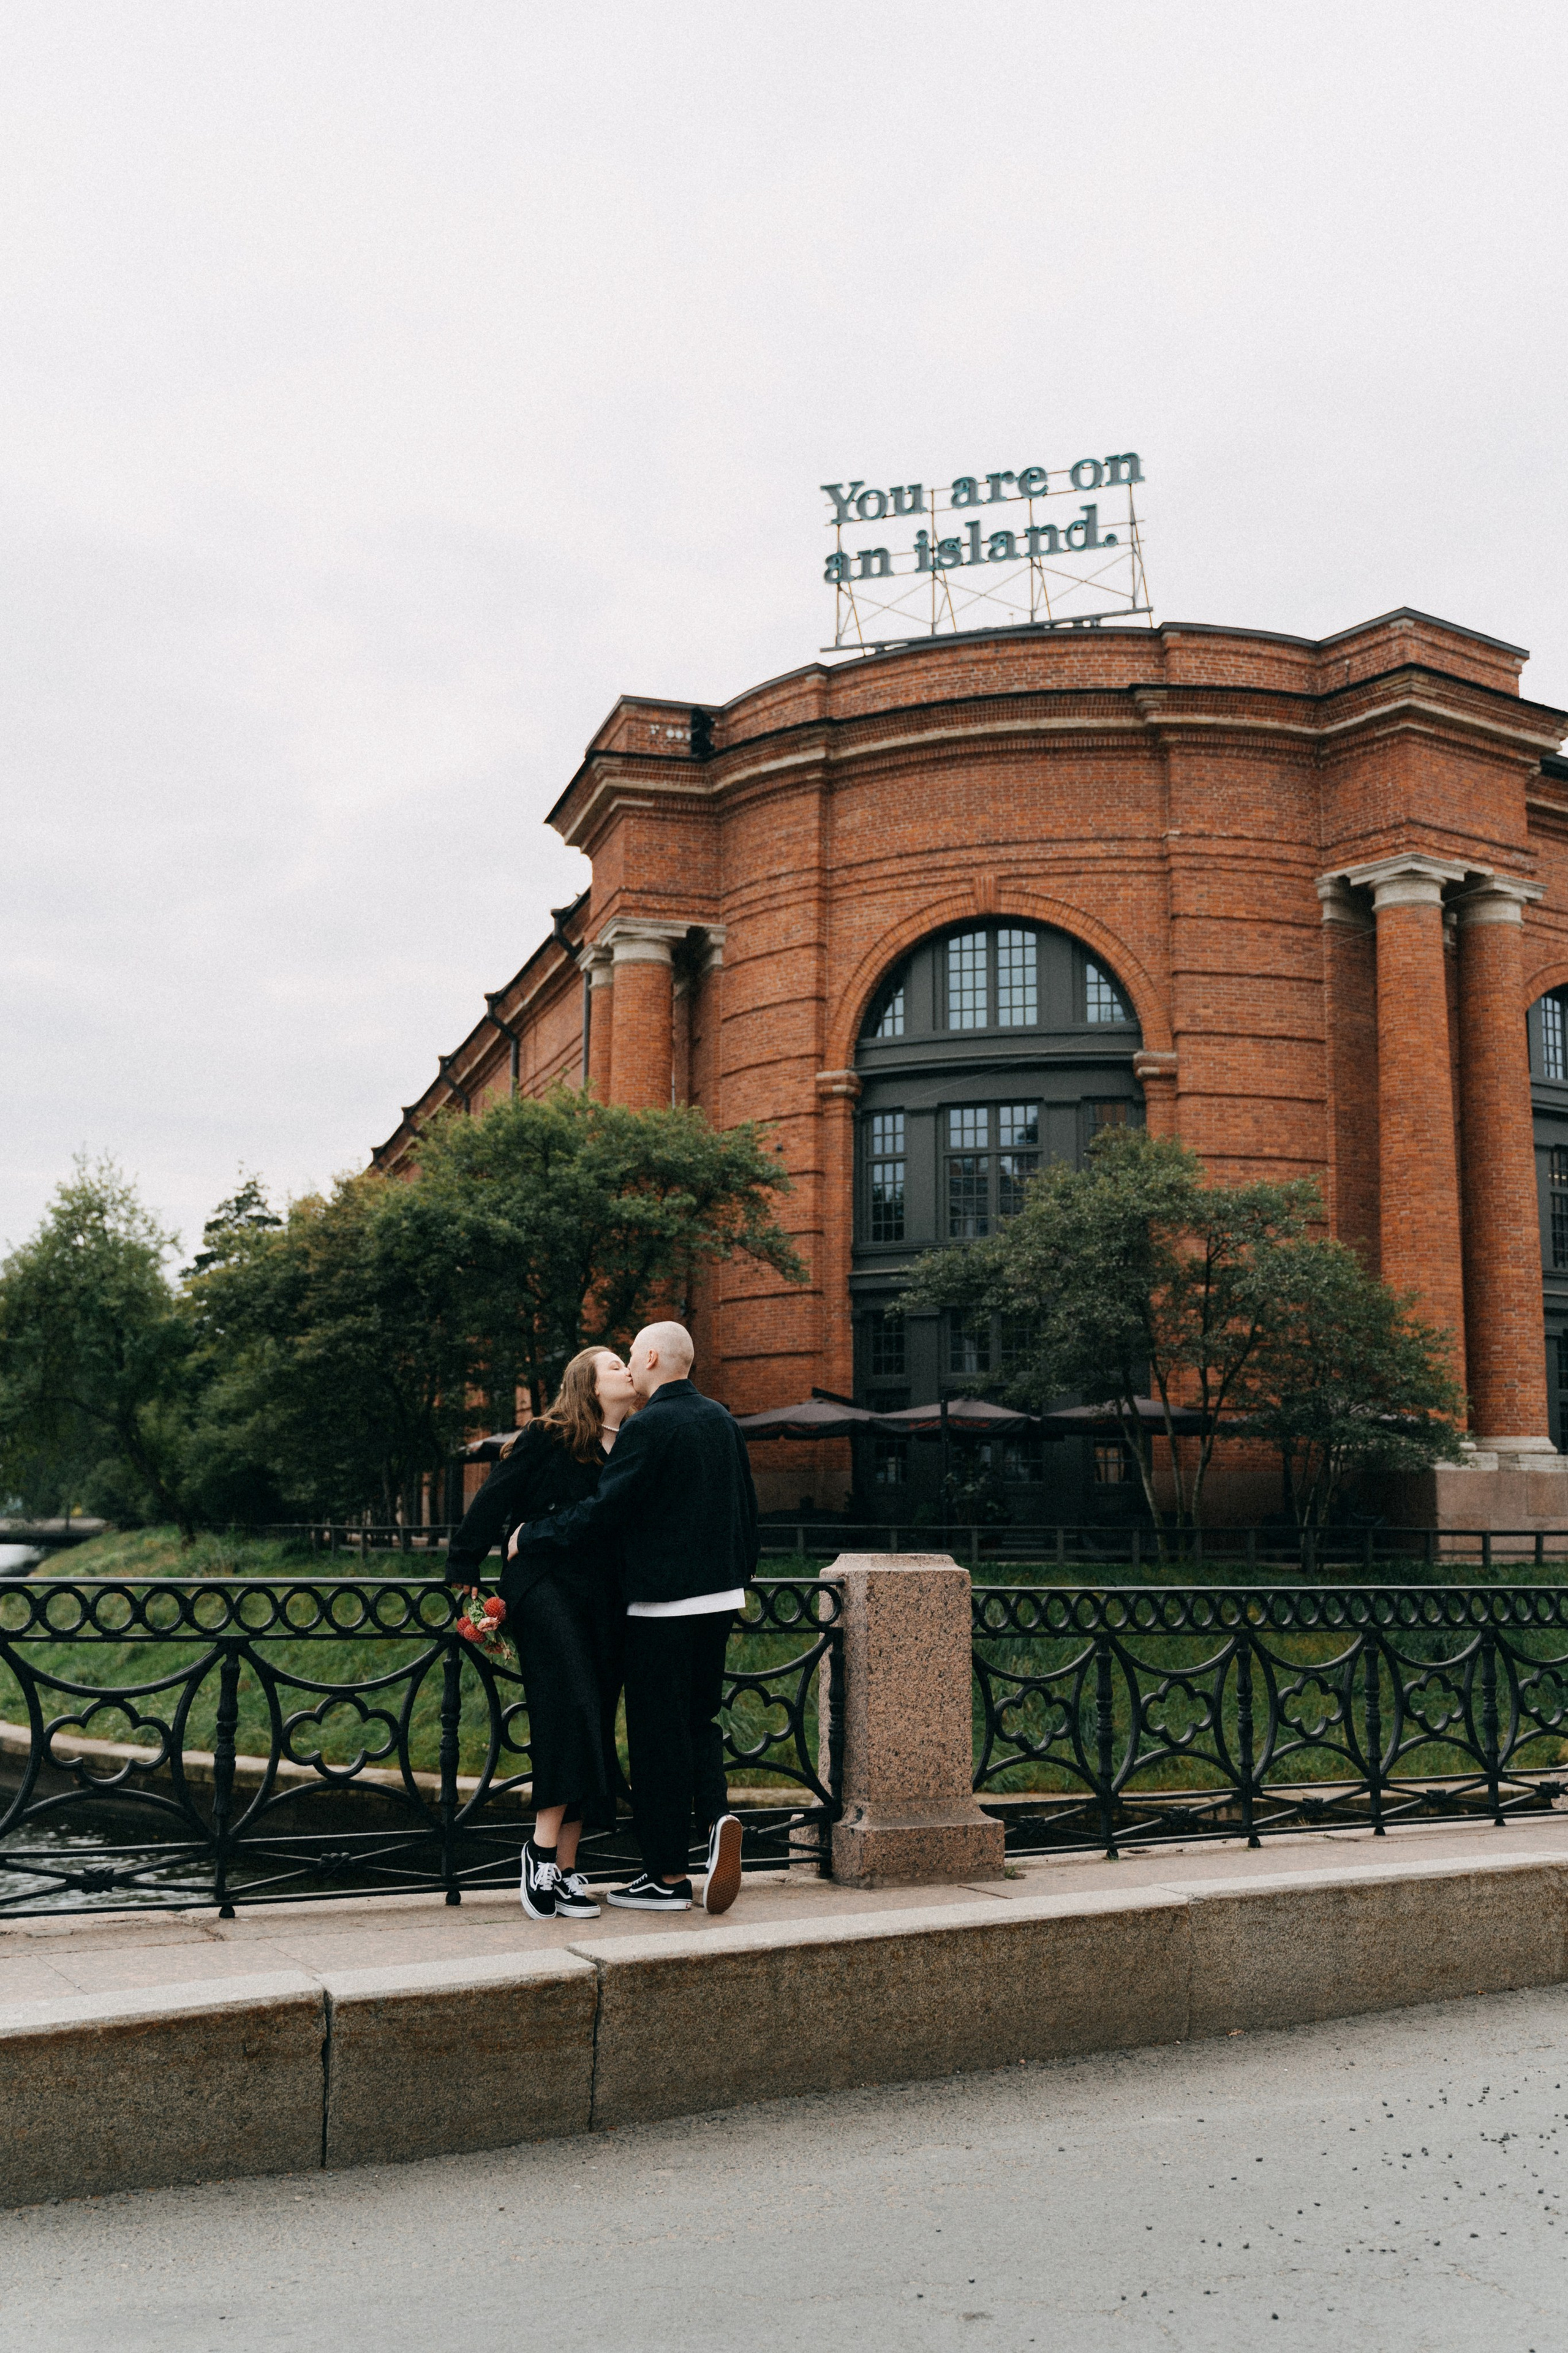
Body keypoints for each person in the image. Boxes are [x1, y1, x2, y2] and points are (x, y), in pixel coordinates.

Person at [508, 1320, 758, 1916]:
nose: (626, 1365)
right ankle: (718, 1814)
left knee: (655, 1737)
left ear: (649, 1357)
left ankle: (667, 1876)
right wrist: (735, 1580)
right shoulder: (722, 1419)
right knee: (700, 1721)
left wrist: (534, 1533)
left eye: (629, 1356)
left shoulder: (649, 1424)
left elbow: (605, 1511)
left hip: (659, 1606)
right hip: (721, 1600)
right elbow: (748, 1511)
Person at [446, 1347, 638, 1921]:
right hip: (543, 1586)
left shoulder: (632, 1446)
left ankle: (569, 1870)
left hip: (602, 1599)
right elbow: (492, 1500)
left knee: (596, 1713)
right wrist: (464, 1578)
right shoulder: (547, 1435)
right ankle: (539, 1851)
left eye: (628, 1364)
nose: (627, 1370)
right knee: (571, 1705)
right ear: (587, 1384)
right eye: (613, 1366)